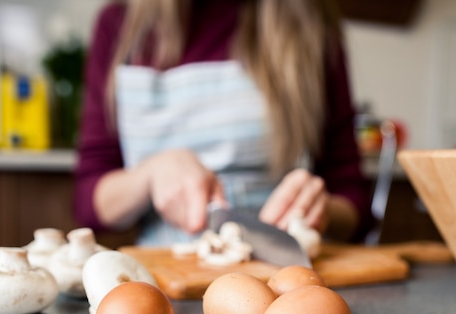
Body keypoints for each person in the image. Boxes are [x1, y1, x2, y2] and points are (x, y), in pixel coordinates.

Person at [74, 0, 373, 247]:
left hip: (281, 270)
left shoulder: (309, 21)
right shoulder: (119, 26)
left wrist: (322, 210)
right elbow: (89, 203)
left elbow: (352, 200)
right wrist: (148, 176)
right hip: (163, 274)